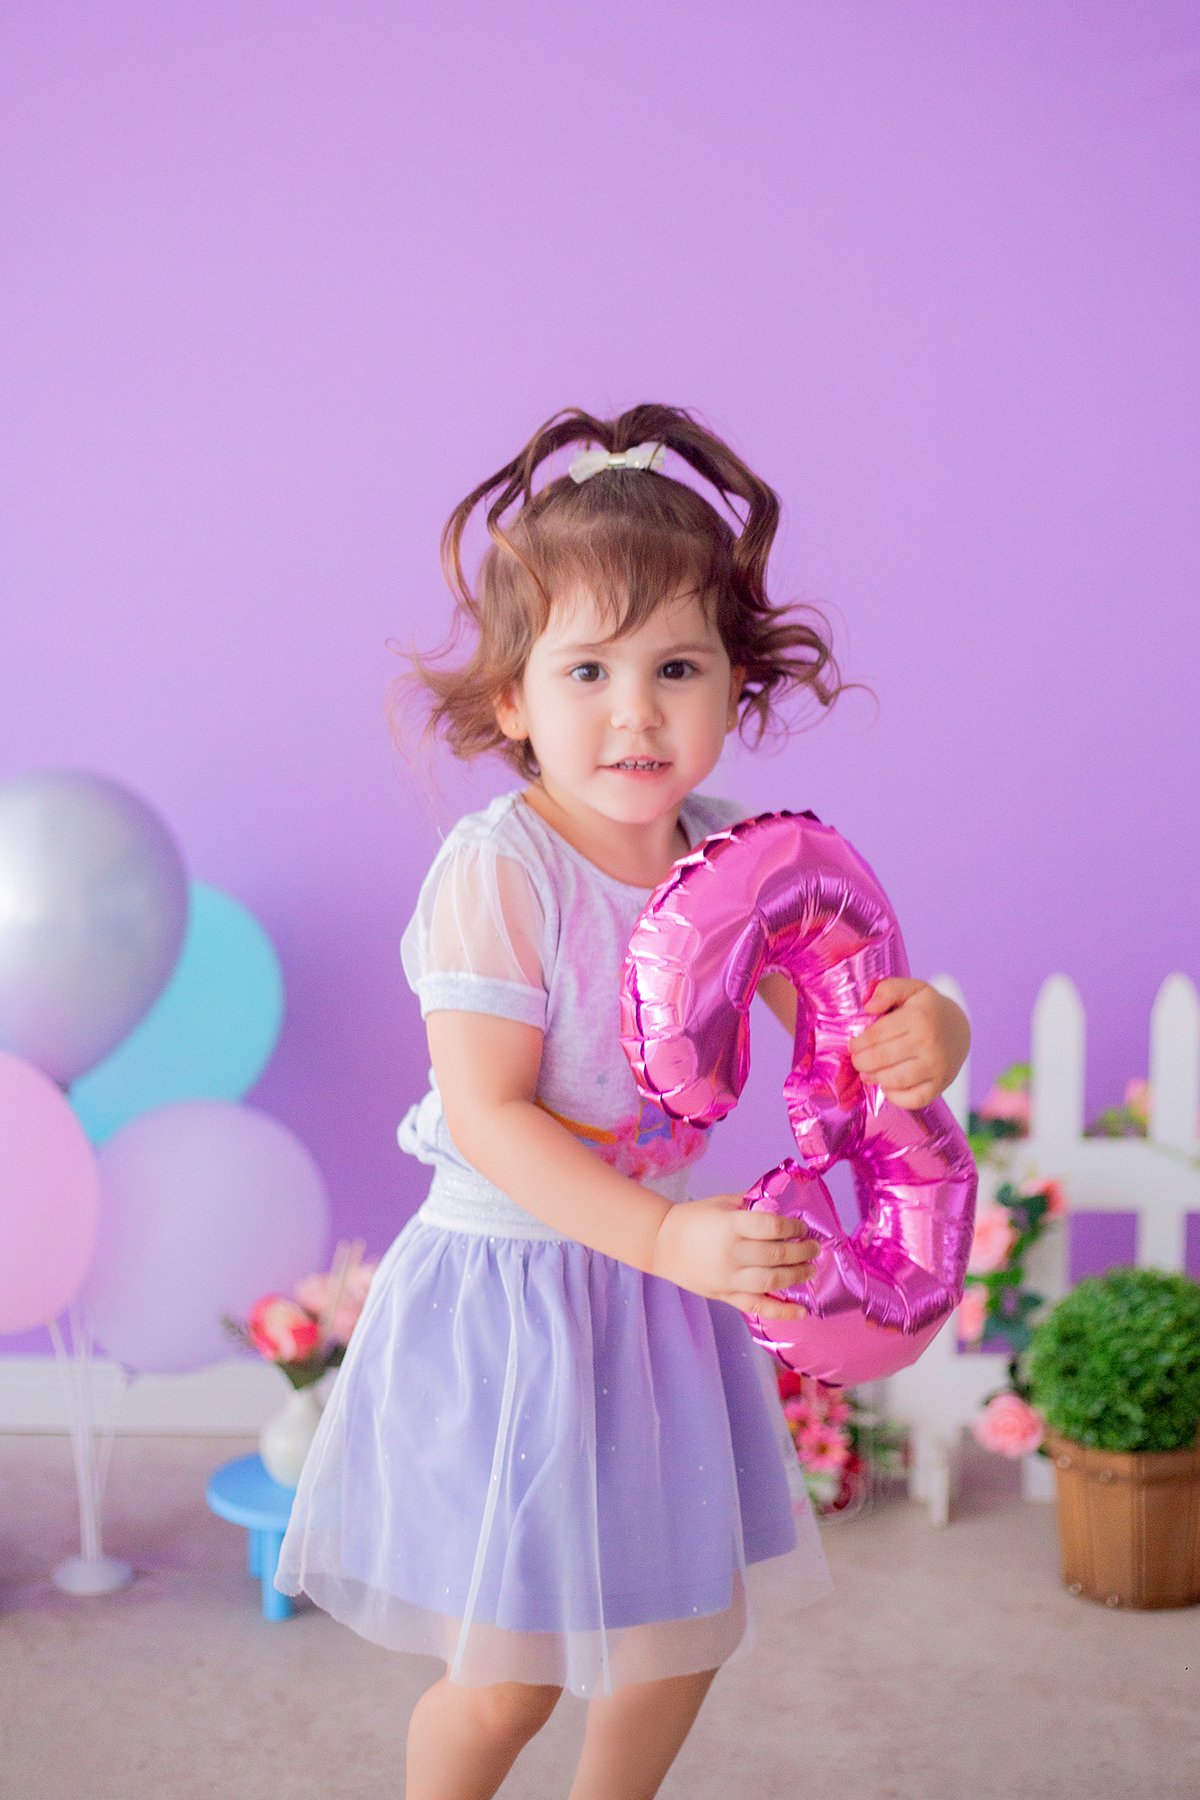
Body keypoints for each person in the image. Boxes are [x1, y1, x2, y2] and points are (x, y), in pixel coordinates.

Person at [277, 405, 970, 1800]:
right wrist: (664, 1239)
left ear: (735, 689)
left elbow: (839, 1024)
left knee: (676, 1639)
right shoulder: (503, 875)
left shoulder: (746, 858)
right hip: (522, 1294)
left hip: (658, 1297)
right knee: (510, 1672)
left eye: (676, 666)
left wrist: (928, 1029)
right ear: (518, 700)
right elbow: (493, 1117)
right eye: (585, 669)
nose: (634, 710)